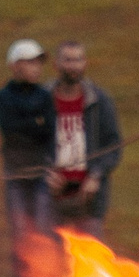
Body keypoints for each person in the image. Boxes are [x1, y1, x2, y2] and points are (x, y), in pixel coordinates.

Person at [48, 40, 123, 238]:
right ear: (56, 64)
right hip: (51, 196)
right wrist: (45, 171)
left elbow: (113, 146)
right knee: (47, 263)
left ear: (85, 63)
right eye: (67, 60)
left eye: (77, 60)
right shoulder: (43, 99)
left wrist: (96, 174)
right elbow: (30, 143)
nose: (73, 66)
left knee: (90, 260)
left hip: (89, 197)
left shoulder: (99, 101)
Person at [0, 38, 56, 271]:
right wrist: (36, 123)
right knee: (20, 228)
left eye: (38, 63)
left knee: (42, 227)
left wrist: (29, 124)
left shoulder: (44, 95)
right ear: (16, 65)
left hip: (40, 171)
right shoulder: (4, 96)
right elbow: (11, 130)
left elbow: (50, 129)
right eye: (30, 62)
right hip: (15, 173)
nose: (37, 67)